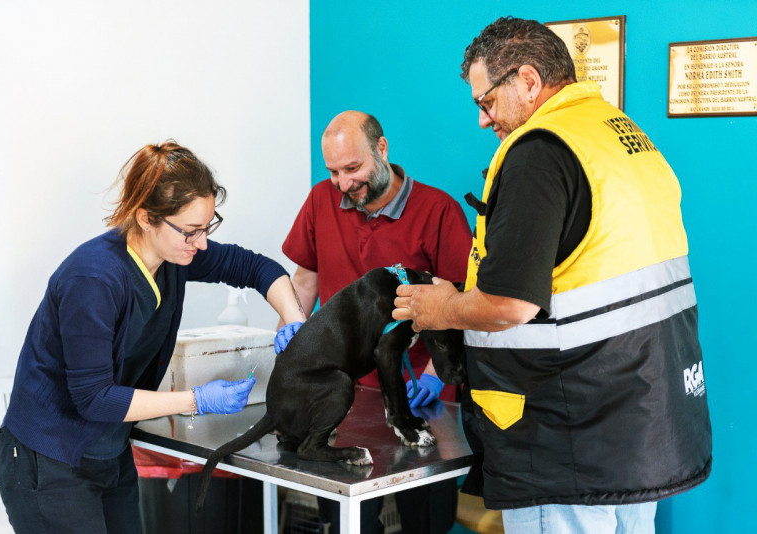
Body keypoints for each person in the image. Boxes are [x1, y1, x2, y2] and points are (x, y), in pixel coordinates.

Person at [392, 17, 712, 534]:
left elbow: (509, 305)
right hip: (644, 421)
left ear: (527, 80)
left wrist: (442, 308)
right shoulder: (620, 135)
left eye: (486, 102)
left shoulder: (538, 154)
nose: (482, 120)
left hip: (567, 435)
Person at [0, 141, 306, 534]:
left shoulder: (175, 255)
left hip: (107, 450)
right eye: (191, 231)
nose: (203, 243)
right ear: (146, 218)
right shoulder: (94, 279)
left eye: (208, 227)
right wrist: (198, 400)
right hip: (50, 458)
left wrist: (294, 317)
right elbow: (94, 398)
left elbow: (256, 267)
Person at [282, 110, 472, 533]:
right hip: (343, 397)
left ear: (382, 150)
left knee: (424, 521)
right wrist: (290, 327)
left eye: (353, 168)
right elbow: (305, 278)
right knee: (348, 522)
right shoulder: (320, 200)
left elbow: (461, 303)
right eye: (333, 171)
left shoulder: (438, 211)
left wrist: (433, 377)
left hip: (420, 398)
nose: (343, 184)